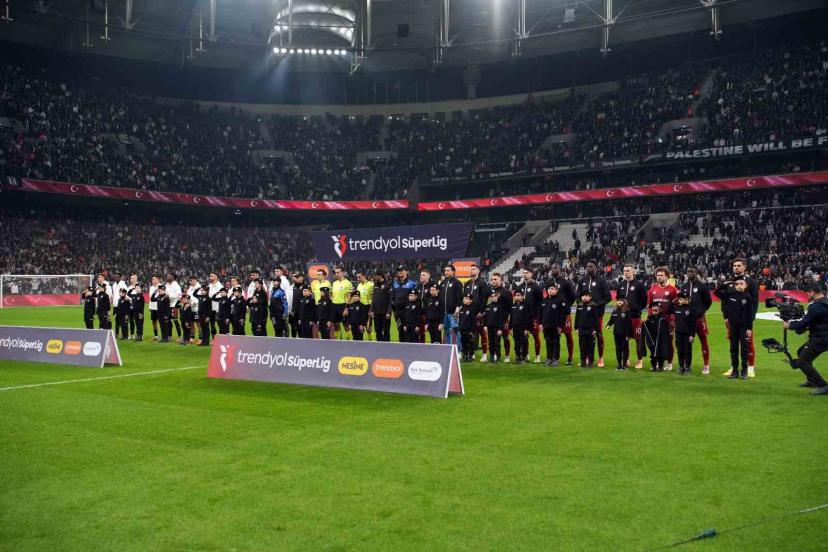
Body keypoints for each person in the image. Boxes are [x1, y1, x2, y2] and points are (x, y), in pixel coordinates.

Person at [784, 281, 828, 395]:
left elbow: (804, 322)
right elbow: (815, 321)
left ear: (812, 292)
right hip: (822, 335)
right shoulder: (825, 302)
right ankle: (811, 380)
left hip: (821, 338)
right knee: (801, 351)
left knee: (802, 362)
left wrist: (790, 325)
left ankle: (823, 385)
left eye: (807, 293)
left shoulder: (817, 306)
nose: (807, 295)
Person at [723, 259, 759, 378]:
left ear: (744, 267)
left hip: (745, 320)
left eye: (739, 265)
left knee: (748, 343)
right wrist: (725, 316)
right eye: (734, 265)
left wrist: (751, 319)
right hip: (732, 319)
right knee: (733, 344)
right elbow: (725, 301)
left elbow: (754, 302)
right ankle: (733, 367)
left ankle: (750, 368)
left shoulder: (751, 282)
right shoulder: (730, 282)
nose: (736, 267)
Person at [715, 276, 755, 380]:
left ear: (746, 285)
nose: (739, 285)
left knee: (744, 349)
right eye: (737, 284)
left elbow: (750, 314)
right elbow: (717, 292)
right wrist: (725, 283)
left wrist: (749, 329)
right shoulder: (730, 295)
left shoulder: (748, 297)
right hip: (733, 326)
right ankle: (735, 371)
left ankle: (744, 371)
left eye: (741, 283)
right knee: (733, 349)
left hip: (743, 327)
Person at [576, 260, 611, 367]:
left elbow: (608, 297)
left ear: (596, 267)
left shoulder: (602, 281)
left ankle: (600, 358)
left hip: (597, 314)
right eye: (587, 266)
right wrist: (582, 304)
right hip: (584, 315)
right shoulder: (582, 280)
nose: (588, 268)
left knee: (598, 335)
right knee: (584, 337)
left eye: (591, 266)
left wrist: (595, 304)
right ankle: (586, 358)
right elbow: (577, 296)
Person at [680, 266, 713, 374]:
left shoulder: (702, 286)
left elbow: (708, 301)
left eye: (692, 271)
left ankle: (706, 365)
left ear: (696, 273)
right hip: (687, 319)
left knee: (703, 340)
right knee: (686, 342)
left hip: (699, 319)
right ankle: (687, 365)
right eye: (688, 271)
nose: (689, 273)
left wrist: (700, 311)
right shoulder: (684, 287)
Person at [615, 263, 648, 369]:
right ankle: (626, 359)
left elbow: (644, 300)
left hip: (635, 317)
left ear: (633, 271)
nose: (626, 272)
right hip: (624, 317)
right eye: (624, 270)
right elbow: (618, 299)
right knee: (625, 339)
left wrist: (637, 308)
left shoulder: (639, 285)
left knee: (638, 339)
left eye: (628, 270)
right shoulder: (620, 285)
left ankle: (640, 360)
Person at [647, 266, 679, 370]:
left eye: (661, 275)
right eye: (657, 275)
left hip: (667, 320)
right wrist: (649, 318)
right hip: (655, 320)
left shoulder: (672, 290)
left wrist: (673, 320)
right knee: (656, 341)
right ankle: (658, 362)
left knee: (668, 342)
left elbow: (676, 306)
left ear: (667, 277)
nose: (659, 277)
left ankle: (669, 363)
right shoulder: (653, 289)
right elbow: (650, 305)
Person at [550, 263, 576, 365]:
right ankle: (553, 357)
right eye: (552, 268)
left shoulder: (565, 282)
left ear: (560, 270)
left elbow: (573, 296)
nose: (553, 269)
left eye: (555, 268)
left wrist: (566, 306)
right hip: (553, 314)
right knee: (554, 336)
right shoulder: (549, 282)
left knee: (568, 335)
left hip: (564, 314)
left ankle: (570, 358)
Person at [516, 268, 544, 363]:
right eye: (523, 273)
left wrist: (538, 316)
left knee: (536, 336)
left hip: (534, 317)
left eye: (527, 273)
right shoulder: (520, 287)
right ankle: (526, 355)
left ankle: (537, 356)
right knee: (524, 336)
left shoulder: (536, 288)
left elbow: (541, 303)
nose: (524, 274)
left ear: (531, 274)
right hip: (523, 317)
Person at [463, 263, 489, 361]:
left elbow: (484, 298)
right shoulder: (467, 284)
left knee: (482, 333)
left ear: (478, 271)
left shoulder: (482, 283)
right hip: (468, 313)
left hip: (478, 313)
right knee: (470, 334)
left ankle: (484, 354)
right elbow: (465, 299)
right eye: (471, 269)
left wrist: (481, 311)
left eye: (474, 269)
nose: (471, 270)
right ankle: (471, 353)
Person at [486, 273, 513, 363]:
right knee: (492, 340)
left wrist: (508, 319)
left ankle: (507, 355)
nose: (493, 281)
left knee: (505, 338)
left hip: (503, 320)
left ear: (500, 280)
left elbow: (510, 307)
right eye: (492, 279)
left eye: (495, 279)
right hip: (492, 320)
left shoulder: (506, 292)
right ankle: (493, 355)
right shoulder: (489, 291)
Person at [541, 282, 568, 366]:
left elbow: (563, 314)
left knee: (556, 342)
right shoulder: (544, 300)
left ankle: (555, 359)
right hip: (546, 325)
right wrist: (540, 324)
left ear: (556, 290)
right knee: (548, 341)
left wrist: (560, 326)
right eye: (549, 289)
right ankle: (549, 358)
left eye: (552, 289)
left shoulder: (560, 300)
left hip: (556, 326)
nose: (550, 290)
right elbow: (540, 313)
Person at [673, 291, 698, 375]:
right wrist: (673, 301)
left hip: (687, 334)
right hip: (678, 333)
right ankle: (681, 366)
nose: (679, 300)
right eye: (679, 299)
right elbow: (668, 310)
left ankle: (687, 367)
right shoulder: (676, 308)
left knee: (687, 350)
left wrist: (692, 335)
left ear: (686, 299)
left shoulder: (692, 309)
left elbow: (694, 323)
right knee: (680, 350)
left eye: (681, 299)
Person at [606, 297, 633, 371]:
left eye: (621, 300)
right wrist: (608, 325)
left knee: (625, 349)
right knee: (618, 349)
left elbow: (629, 324)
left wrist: (628, 335)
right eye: (618, 300)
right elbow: (611, 320)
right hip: (616, 333)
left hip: (624, 334)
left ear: (624, 302)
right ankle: (619, 364)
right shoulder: (615, 310)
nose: (619, 302)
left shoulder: (627, 311)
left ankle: (624, 364)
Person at [575, 290, 599, 368]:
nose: (584, 297)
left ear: (590, 297)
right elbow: (577, 317)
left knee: (590, 347)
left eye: (586, 296)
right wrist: (576, 328)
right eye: (583, 296)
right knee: (582, 347)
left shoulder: (593, 305)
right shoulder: (580, 305)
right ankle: (583, 361)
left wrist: (595, 329)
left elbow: (596, 318)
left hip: (590, 330)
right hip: (581, 330)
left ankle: (590, 362)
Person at [644, 302, 670, 372]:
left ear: (660, 310)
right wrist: (645, 322)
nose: (654, 312)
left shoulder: (663, 319)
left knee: (660, 353)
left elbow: (665, 331)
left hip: (660, 340)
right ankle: (653, 366)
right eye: (653, 310)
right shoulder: (649, 319)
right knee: (652, 353)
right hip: (652, 339)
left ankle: (660, 366)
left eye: (656, 310)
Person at [392, 266, 416, 342]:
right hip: (398, 312)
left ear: (406, 272)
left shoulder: (412, 283)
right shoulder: (395, 283)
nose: (400, 272)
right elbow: (393, 297)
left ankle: (408, 346)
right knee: (399, 328)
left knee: (407, 329)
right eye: (398, 271)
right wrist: (394, 309)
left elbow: (414, 297)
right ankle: (401, 345)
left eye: (401, 271)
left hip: (407, 311)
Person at [331, 267, 354, 339]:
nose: (336, 274)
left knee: (346, 325)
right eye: (335, 273)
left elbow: (349, 296)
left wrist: (346, 308)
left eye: (338, 272)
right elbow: (332, 295)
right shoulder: (334, 283)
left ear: (343, 273)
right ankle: (337, 341)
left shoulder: (348, 283)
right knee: (336, 325)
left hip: (343, 306)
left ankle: (349, 340)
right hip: (335, 305)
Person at [484, 290, 506, 363]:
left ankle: (498, 357)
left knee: (497, 343)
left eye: (493, 296)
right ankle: (492, 356)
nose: (492, 298)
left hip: (497, 328)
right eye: (491, 297)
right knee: (491, 343)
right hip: (489, 328)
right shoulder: (487, 306)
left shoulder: (500, 306)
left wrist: (500, 329)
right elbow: (485, 317)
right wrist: (485, 325)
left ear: (497, 297)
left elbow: (501, 319)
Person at [510, 289, 530, 364]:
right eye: (515, 295)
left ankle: (524, 357)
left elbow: (528, 318)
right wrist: (510, 328)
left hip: (523, 328)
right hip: (515, 327)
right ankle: (517, 357)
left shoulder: (526, 305)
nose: (517, 297)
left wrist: (527, 329)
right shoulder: (513, 305)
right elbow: (511, 317)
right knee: (517, 343)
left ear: (522, 296)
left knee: (524, 343)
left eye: (518, 295)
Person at [370, 272, 392, 342]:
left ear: (380, 276)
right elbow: (373, 298)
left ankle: (386, 345)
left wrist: (389, 312)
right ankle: (379, 344)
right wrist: (371, 310)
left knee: (386, 330)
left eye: (375, 276)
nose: (374, 277)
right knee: (377, 330)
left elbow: (390, 299)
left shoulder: (387, 284)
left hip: (385, 312)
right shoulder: (375, 285)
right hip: (376, 312)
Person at [416, 270, 435, 343]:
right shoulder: (419, 286)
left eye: (423, 275)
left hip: (429, 314)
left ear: (428, 277)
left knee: (432, 332)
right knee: (421, 332)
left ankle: (435, 346)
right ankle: (422, 346)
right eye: (421, 275)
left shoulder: (432, 286)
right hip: (420, 313)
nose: (421, 276)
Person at [356, 271, 374, 336]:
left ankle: (371, 340)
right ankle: (361, 341)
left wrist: (371, 310)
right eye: (357, 277)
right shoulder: (359, 285)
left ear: (364, 276)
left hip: (368, 307)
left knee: (368, 328)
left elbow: (373, 298)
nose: (358, 279)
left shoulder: (371, 284)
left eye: (359, 277)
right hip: (360, 308)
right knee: (360, 327)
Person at [165, 273, 183, 340]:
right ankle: (169, 336)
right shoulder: (166, 285)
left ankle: (179, 336)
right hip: (168, 305)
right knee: (168, 321)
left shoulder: (176, 285)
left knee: (175, 320)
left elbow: (179, 295)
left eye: (169, 276)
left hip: (174, 305)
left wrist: (169, 295)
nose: (167, 277)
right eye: (167, 276)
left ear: (173, 277)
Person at [458, 295, 476, 361]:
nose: (464, 299)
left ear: (470, 300)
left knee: (470, 343)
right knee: (464, 343)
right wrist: (459, 328)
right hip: (462, 329)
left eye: (467, 298)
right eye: (464, 298)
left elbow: (473, 321)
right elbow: (460, 320)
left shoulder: (472, 309)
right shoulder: (461, 309)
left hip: (469, 330)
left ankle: (470, 356)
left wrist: (472, 331)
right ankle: (465, 355)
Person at [289, 272, 306, 338]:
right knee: (293, 330)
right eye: (295, 277)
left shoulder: (305, 287)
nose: (295, 279)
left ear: (302, 278)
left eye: (297, 277)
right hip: (293, 312)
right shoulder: (292, 287)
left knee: (301, 331)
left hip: (301, 313)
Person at [208, 272, 223, 338]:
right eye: (210, 276)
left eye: (212, 276)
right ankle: (214, 339)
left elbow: (220, 298)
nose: (210, 277)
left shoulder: (220, 287)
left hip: (217, 308)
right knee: (212, 324)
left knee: (220, 324)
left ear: (216, 277)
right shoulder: (209, 286)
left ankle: (221, 339)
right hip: (210, 308)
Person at [126, 274, 141, 338]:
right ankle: (132, 334)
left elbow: (140, 296)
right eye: (131, 278)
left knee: (138, 321)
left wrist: (132, 299)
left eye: (132, 278)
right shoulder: (129, 287)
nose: (131, 279)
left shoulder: (139, 286)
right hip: (130, 306)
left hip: (137, 306)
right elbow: (127, 295)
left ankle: (140, 334)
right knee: (131, 320)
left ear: (136, 279)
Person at [148, 275, 160, 339]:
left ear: (158, 280)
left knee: (161, 321)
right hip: (153, 307)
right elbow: (150, 298)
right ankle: (156, 335)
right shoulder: (151, 288)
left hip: (159, 306)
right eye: (152, 279)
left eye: (154, 279)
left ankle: (164, 335)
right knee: (154, 321)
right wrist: (150, 307)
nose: (153, 280)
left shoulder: (161, 286)